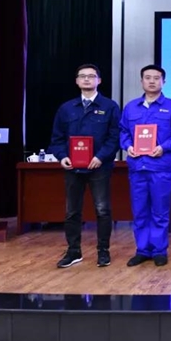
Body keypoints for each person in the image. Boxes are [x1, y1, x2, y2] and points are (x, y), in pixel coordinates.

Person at [49, 64, 120, 268]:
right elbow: (57, 138)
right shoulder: (66, 108)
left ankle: (103, 251)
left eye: (91, 76)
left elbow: (114, 137)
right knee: (72, 211)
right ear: (77, 81)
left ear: (99, 80)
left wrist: (101, 157)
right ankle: (73, 251)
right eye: (82, 76)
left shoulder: (110, 106)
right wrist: (62, 157)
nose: (87, 79)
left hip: (100, 167)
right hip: (73, 168)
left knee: (102, 210)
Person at [119, 65, 171, 267]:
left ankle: (158, 250)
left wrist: (164, 147)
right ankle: (142, 250)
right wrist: (128, 146)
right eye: (148, 77)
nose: (152, 81)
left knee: (160, 211)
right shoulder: (131, 107)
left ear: (164, 81)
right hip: (137, 167)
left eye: (156, 78)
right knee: (140, 211)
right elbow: (123, 132)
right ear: (141, 81)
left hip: (161, 167)